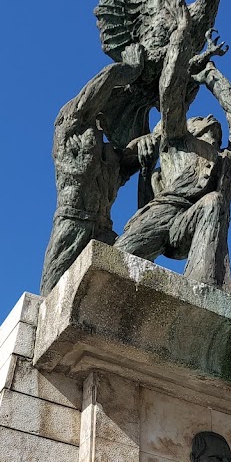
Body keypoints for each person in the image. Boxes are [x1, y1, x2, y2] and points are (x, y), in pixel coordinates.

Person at [115, 0, 231, 294]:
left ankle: (204, 290)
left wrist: (212, 75)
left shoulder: (228, 162)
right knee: (112, 265)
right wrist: (182, 32)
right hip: (161, 214)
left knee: (214, 202)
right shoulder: (177, 139)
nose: (211, 119)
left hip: (192, 225)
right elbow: (171, 89)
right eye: (203, 117)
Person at [40, 43, 151, 295]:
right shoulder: (70, 127)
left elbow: (136, 157)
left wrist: (148, 141)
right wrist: (129, 70)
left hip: (104, 232)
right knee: (51, 300)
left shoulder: (112, 156)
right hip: (73, 223)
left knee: (125, 287)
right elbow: (104, 82)